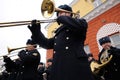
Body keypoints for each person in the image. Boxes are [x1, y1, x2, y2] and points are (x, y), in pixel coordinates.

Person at [28, 4, 95, 80]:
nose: (61, 15)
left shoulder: (80, 22)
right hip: (59, 67)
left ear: (70, 14)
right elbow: (47, 44)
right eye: (59, 13)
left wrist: (63, 18)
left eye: (64, 12)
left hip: (75, 66)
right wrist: (36, 32)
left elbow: (80, 26)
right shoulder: (58, 33)